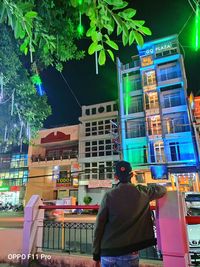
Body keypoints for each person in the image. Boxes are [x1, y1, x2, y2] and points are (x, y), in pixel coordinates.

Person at [92, 160, 167, 267]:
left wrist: (96, 254)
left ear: (115, 177)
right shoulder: (143, 192)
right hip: (129, 253)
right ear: (131, 175)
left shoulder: (108, 195)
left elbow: (99, 226)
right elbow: (162, 190)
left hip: (107, 252)